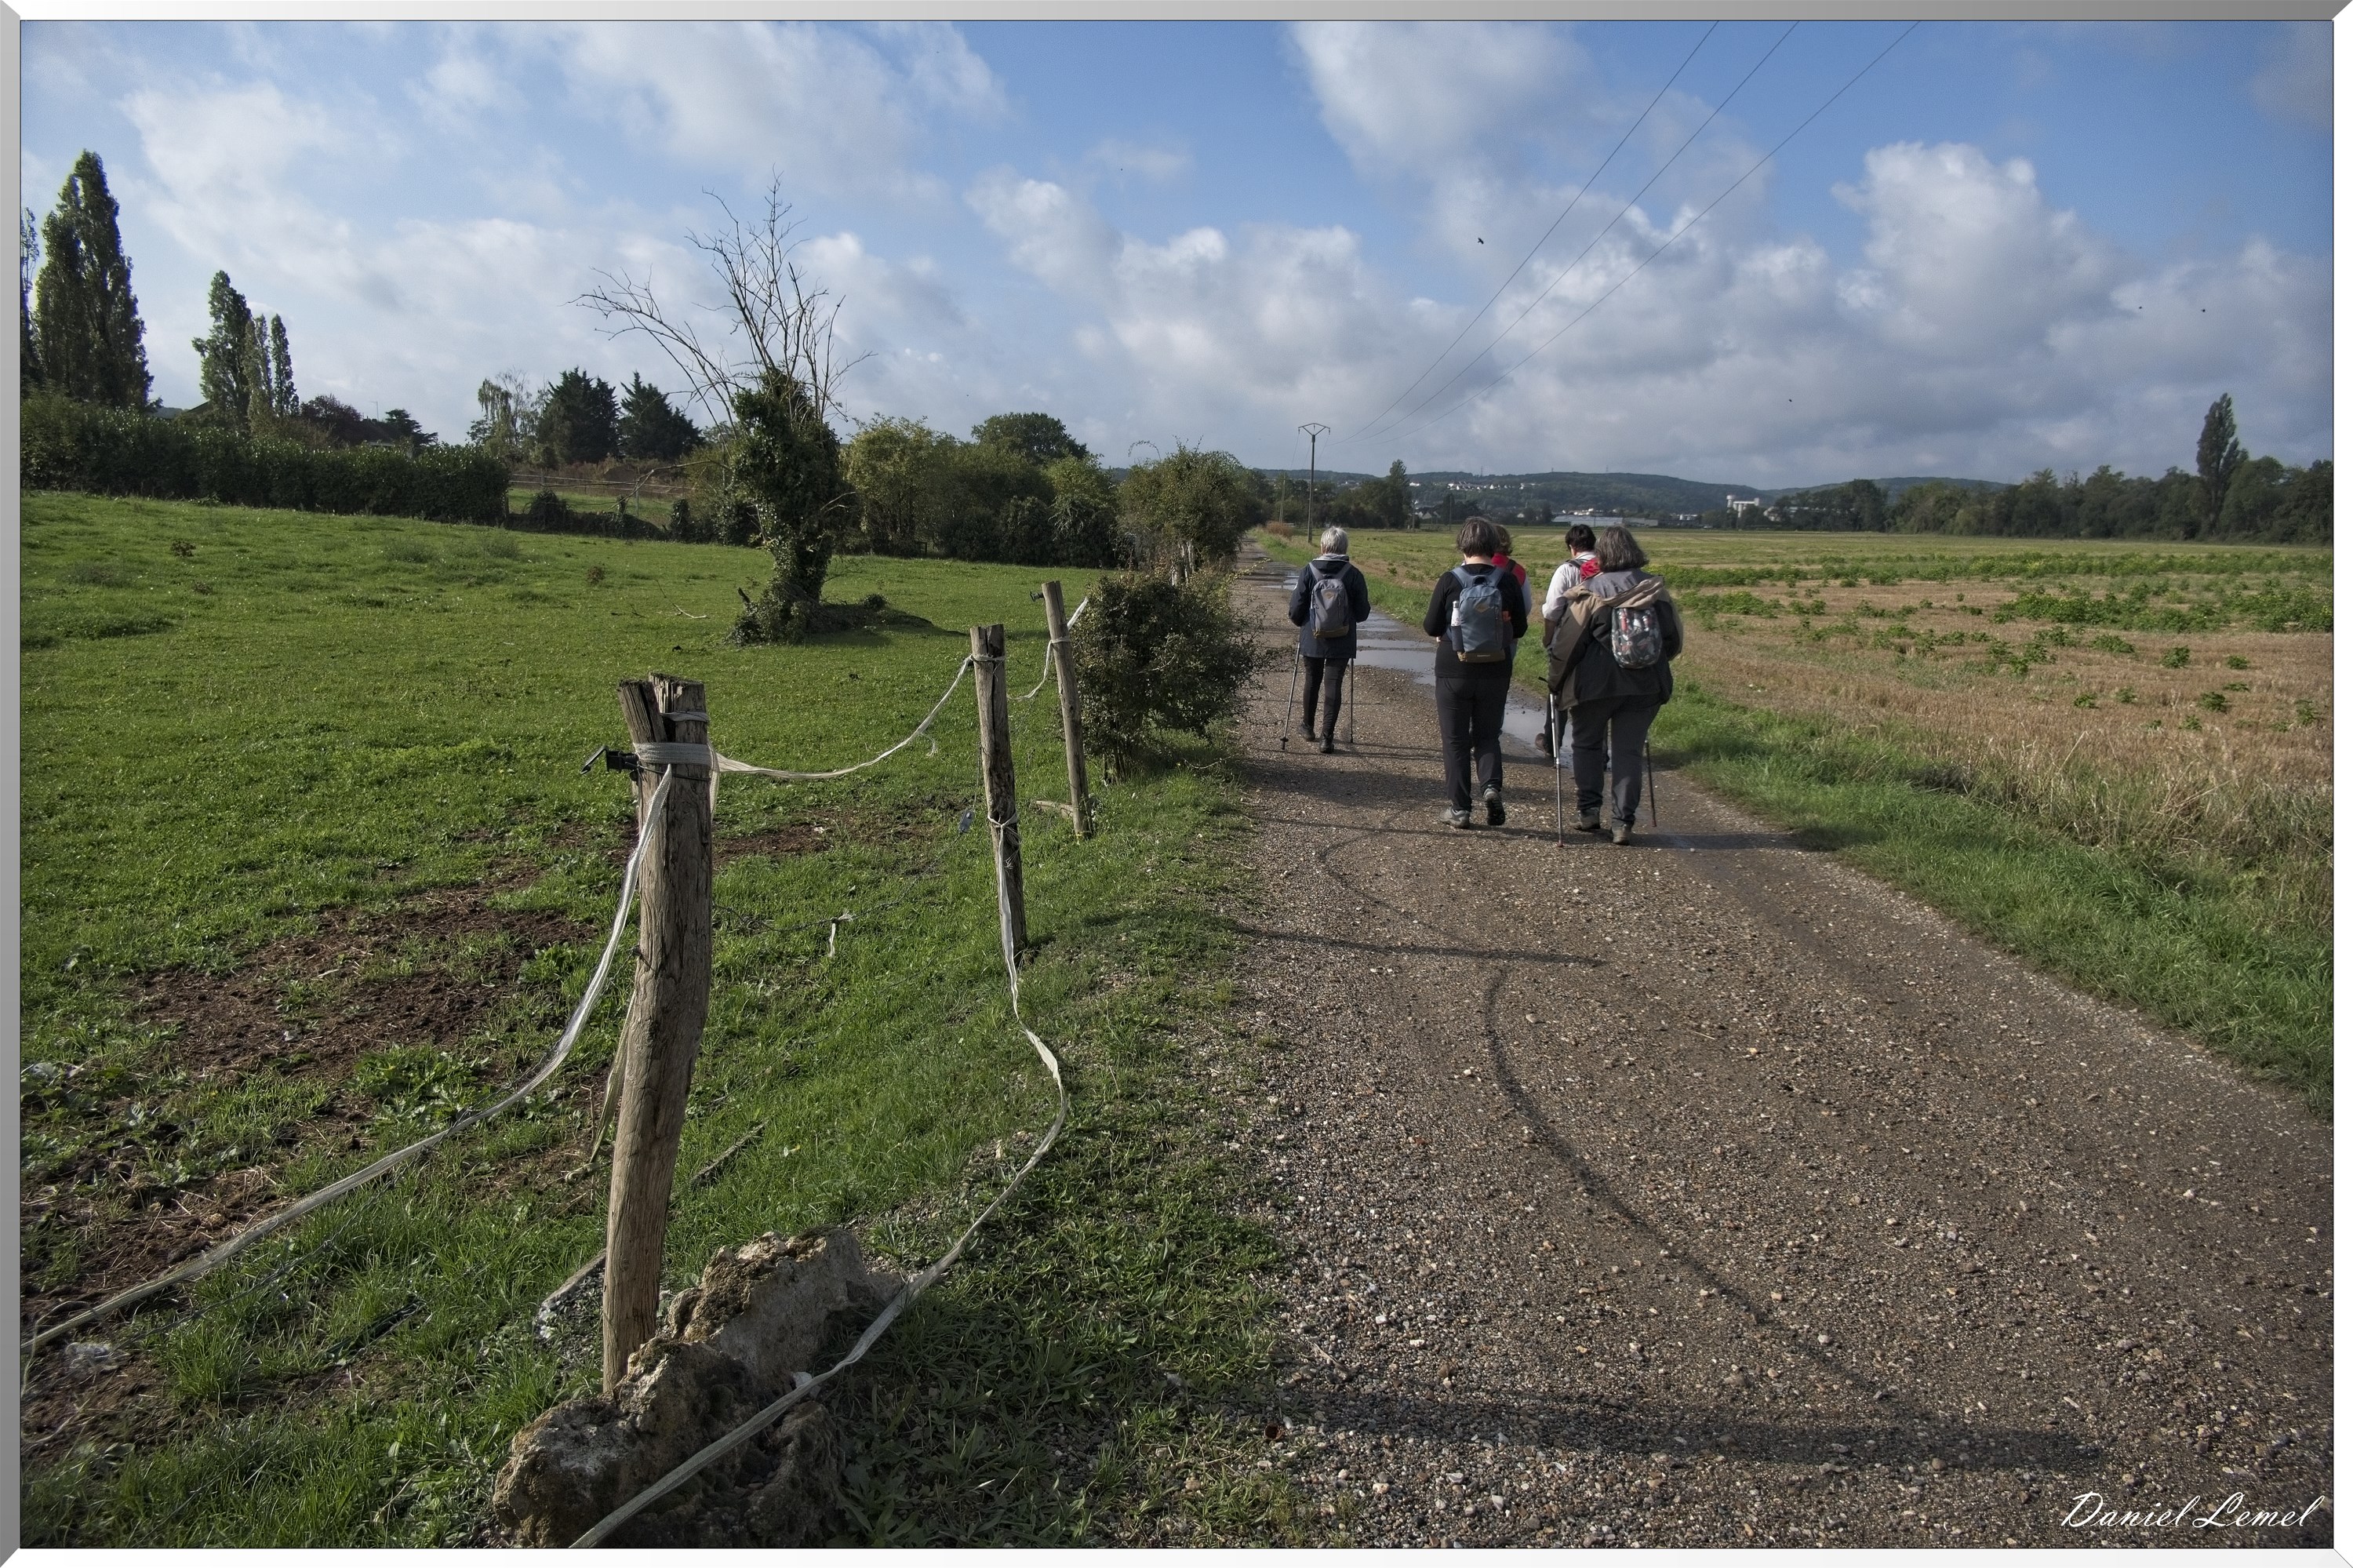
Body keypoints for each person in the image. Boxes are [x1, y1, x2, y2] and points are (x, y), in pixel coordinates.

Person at [1548, 524, 1682, 845]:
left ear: (1603, 554)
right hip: (1645, 686)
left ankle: (1589, 812)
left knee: (1588, 746)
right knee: (1629, 753)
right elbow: (1673, 641)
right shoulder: (1655, 591)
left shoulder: (1590, 592)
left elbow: (1567, 646)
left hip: (1594, 686)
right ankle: (1623, 823)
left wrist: (1556, 682)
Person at [1423, 517, 1529, 828]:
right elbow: (1520, 628)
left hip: (1454, 668)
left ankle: (1460, 809)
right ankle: (1491, 787)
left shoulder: (1449, 580)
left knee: (1455, 740)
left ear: (1462, 544)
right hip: (1496, 669)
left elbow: (1430, 626)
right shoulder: (1507, 580)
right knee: (1488, 735)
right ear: (1494, 545)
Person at [1286, 526, 1372, 754]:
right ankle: (1327, 738)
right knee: (1334, 684)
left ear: (1323, 547)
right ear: (1344, 548)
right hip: (1342, 639)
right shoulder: (1353, 574)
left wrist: (1301, 624)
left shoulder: (1308, 571)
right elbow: (1363, 614)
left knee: (1312, 680)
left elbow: (1295, 610)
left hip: (1312, 637)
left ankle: (1307, 726)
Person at [1536, 523, 1600, 756]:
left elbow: (1552, 610)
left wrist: (1548, 638)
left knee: (1558, 688)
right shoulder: (1607, 569)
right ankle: (1597, 750)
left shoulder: (1566, 570)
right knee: (1596, 697)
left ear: (1572, 547)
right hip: (1600, 641)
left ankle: (1552, 743)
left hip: (1568, 639)